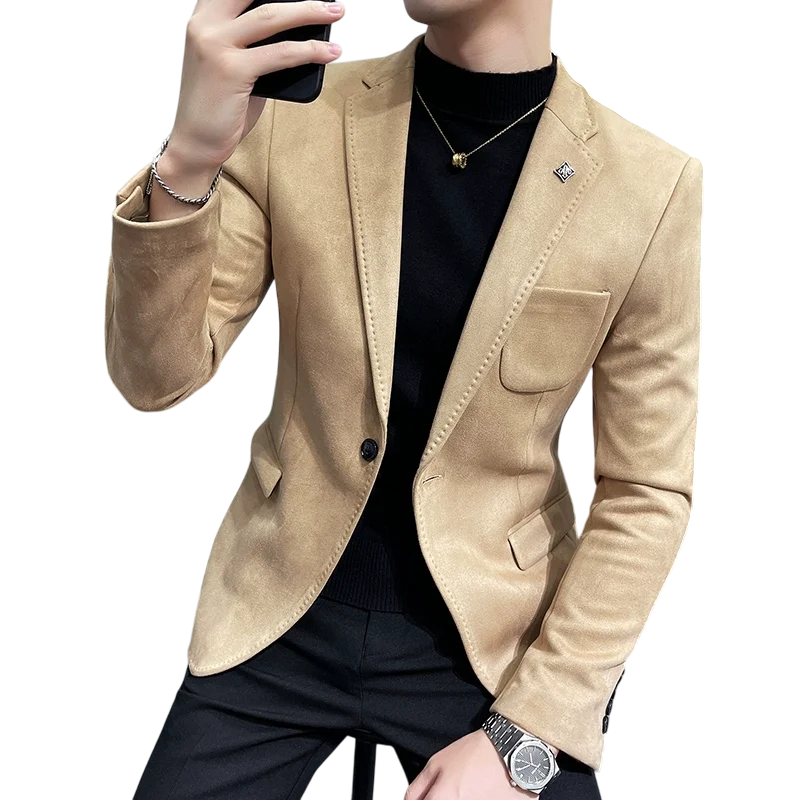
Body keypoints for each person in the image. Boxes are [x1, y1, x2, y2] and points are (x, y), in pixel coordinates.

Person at [105, 1, 703, 798]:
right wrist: (188, 160)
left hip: (493, 643)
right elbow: (155, 376)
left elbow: (645, 491)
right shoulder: (293, 119)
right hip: (276, 607)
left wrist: (526, 734)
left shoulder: (650, 187)